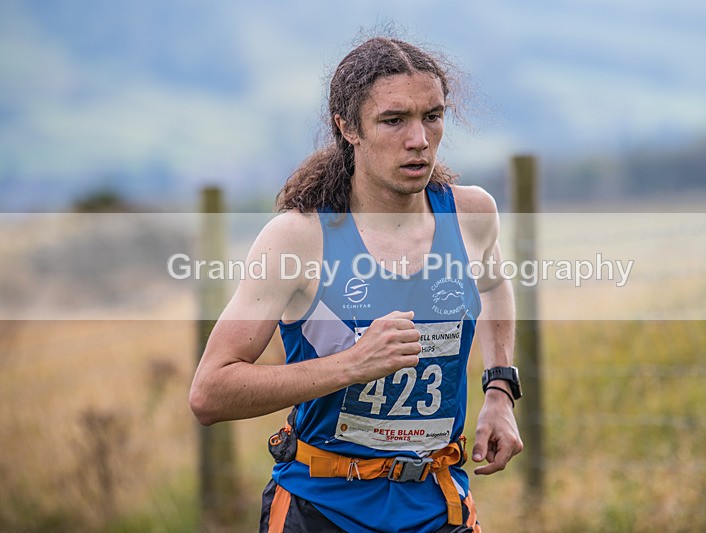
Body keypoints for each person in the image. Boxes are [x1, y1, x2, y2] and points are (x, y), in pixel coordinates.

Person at [189, 35, 523, 533]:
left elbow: (494, 287)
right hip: (321, 510)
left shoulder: (472, 215)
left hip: (438, 509)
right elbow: (210, 393)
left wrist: (499, 390)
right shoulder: (298, 239)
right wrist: (352, 365)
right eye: (394, 120)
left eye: (433, 115)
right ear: (348, 128)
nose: (419, 139)